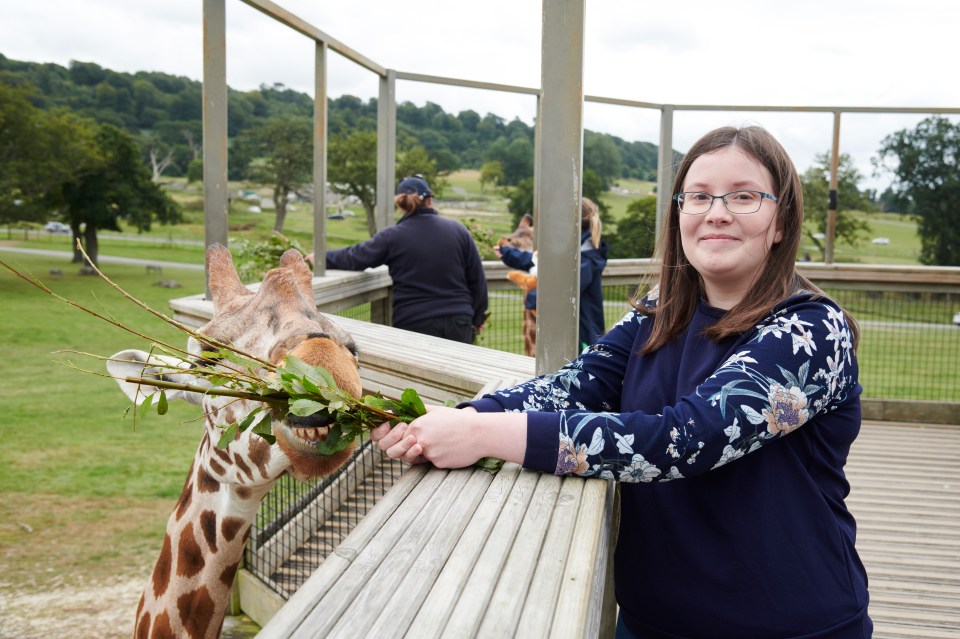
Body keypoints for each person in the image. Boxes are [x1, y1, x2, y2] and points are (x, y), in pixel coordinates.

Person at [372, 126, 871, 638]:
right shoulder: (662, 309)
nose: (716, 211)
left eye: (744, 196)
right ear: (679, 214)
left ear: (782, 220)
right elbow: (574, 385)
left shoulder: (811, 331)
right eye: (698, 196)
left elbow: (681, 441)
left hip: (785, 623)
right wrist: (458, 419)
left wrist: (481, 437)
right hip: (649, 617)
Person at [325, 174, 488, 344]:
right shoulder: (459, 231)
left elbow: (355, 257)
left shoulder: (393, 236)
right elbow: (478, 281)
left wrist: (323, 258)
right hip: (459, 320)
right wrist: (477, 319)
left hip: (414, 322)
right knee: (457, 370)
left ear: (401, 205)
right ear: (430, 200)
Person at [494, 197, 610, 351]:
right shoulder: (574, 253)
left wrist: (533, 296)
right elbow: (540, 262)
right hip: (570, 333)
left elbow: (561, 292)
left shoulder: (585, 260)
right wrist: (507, 253)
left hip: (580, 337)